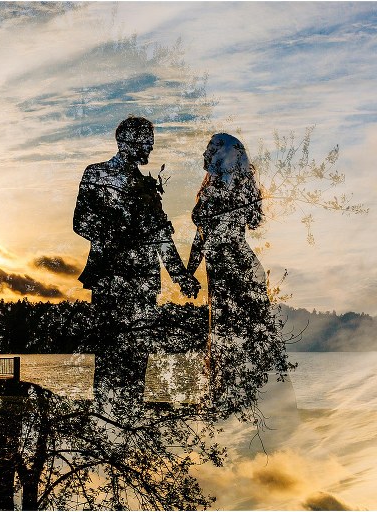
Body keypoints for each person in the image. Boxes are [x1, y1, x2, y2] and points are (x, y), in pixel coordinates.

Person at [73, 116, 200, 409]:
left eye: (150, 144)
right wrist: (120, 229)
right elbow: (81, 222)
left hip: (143, 283)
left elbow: (162, 237)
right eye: (145, 143)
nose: (149, 149)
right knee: (106, 353)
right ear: (125, 142)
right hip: (109, 277)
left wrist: (181, 276)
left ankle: (130, 419)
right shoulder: (96, 174)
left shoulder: (147, 186)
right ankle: (105, 420)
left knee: (137, 356)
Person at [186, 133, 291, 418]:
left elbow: (250, 221)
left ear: (225, 154)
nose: (205, 153)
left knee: (238, 336)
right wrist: (189, 271)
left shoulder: (233, 188)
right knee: (223, 337)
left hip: (239, 269)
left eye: (211, 148)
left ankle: (260, 407)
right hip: (220, 271)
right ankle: (231, 406)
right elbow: (202, 236)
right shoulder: (210, 189)